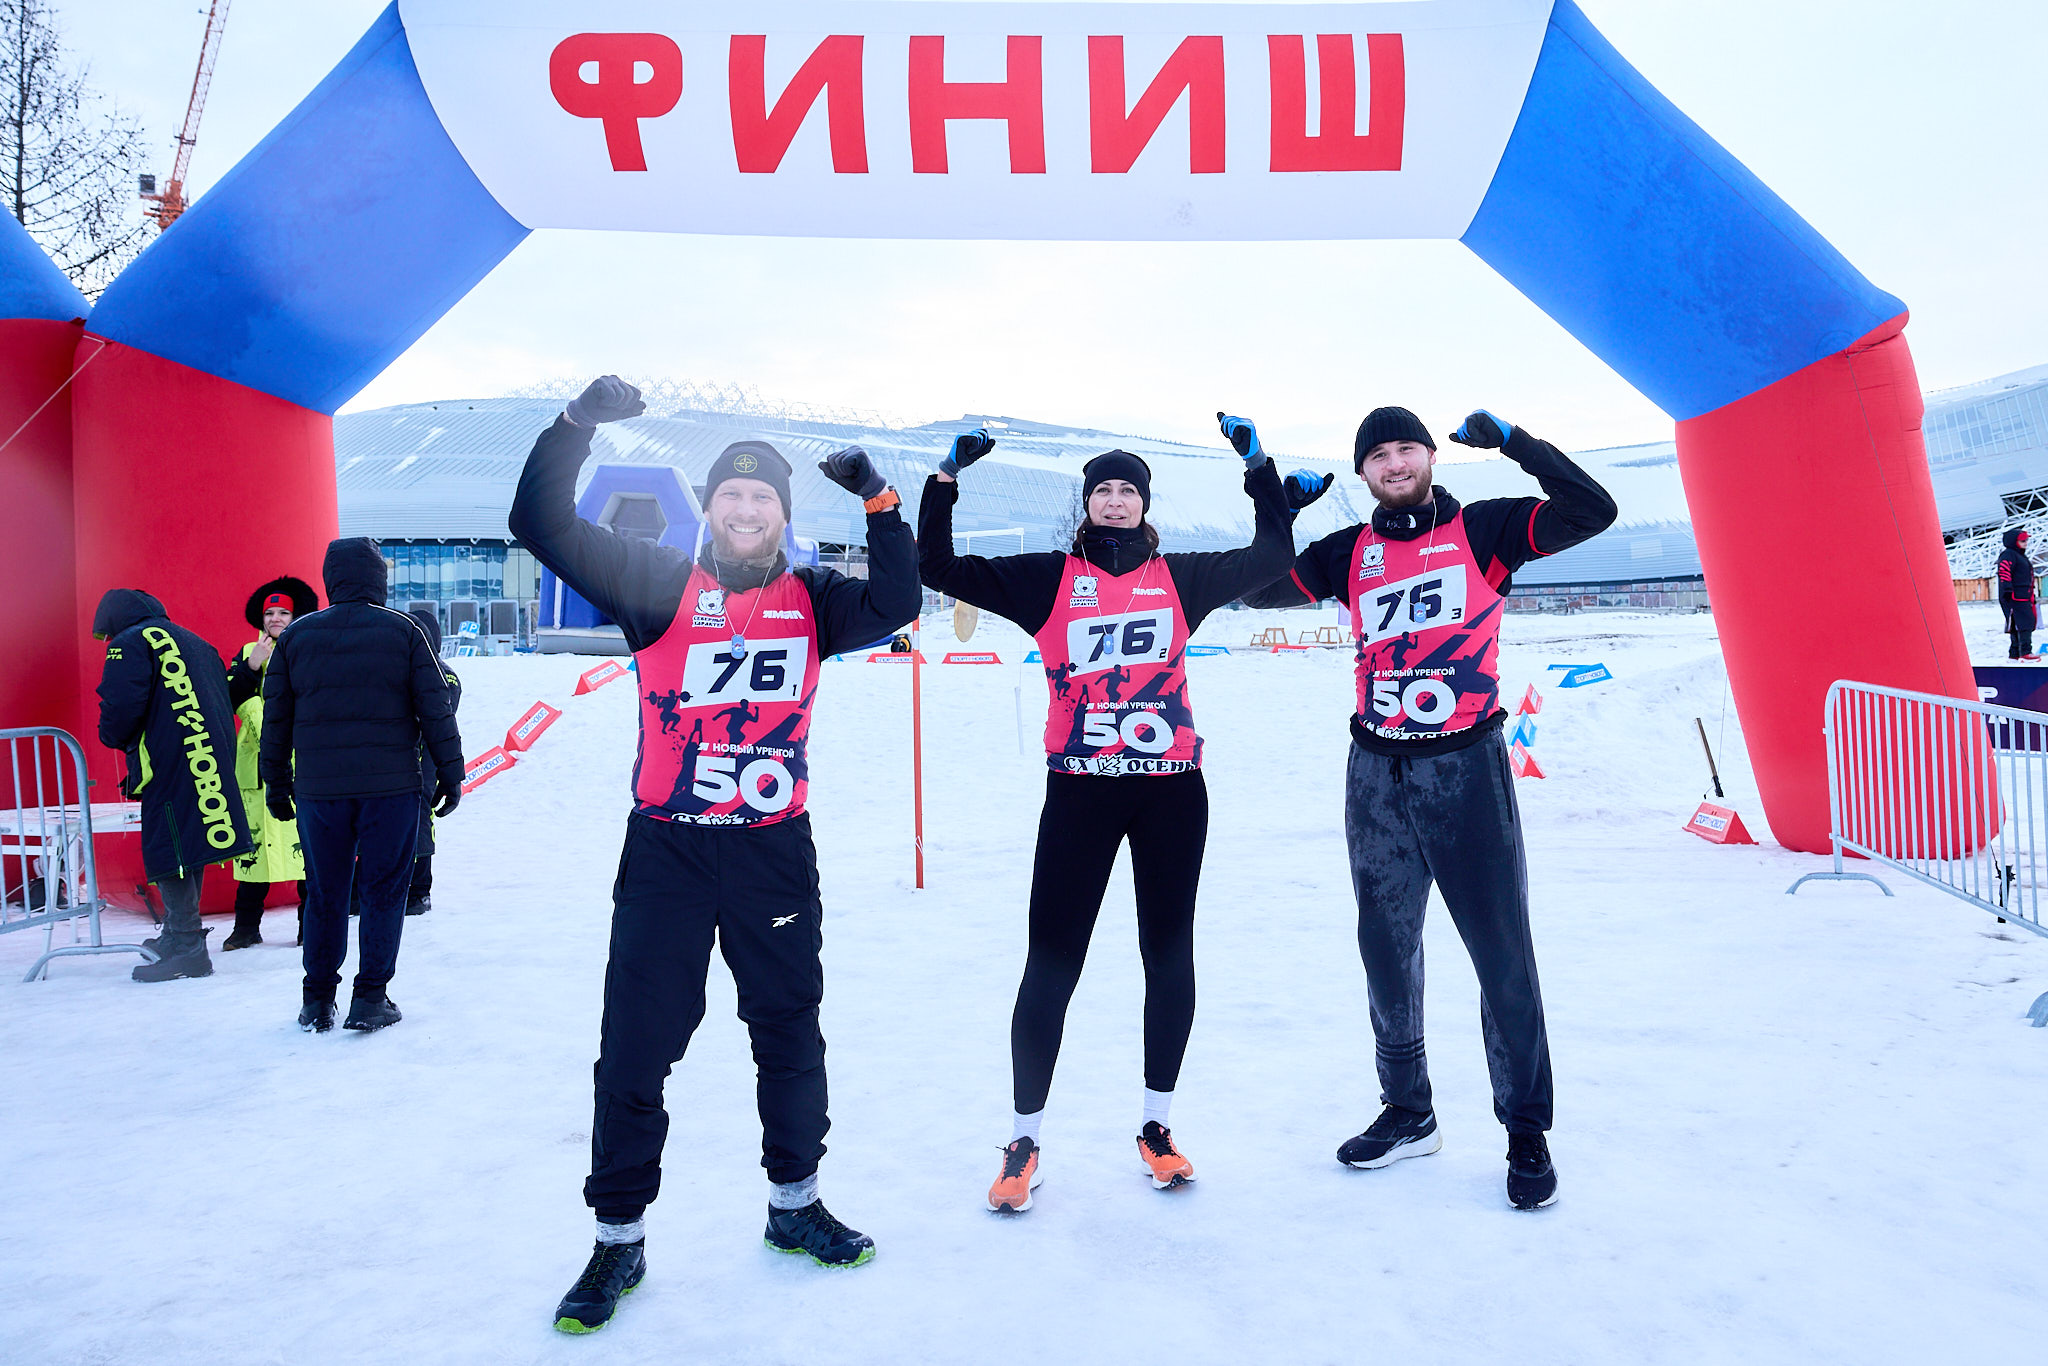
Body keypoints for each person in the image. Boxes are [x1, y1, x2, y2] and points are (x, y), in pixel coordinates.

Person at [508, 377, 920, 1333]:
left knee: (787, 1028)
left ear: (783, 514)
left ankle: (795, 1205)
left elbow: (898, 600)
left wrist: (879, 500)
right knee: (638, 1044)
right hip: (670, 855)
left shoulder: (815, 598)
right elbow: (538, 523)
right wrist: (575, 426)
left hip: (773, 854)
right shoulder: (656, 582)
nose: (744, 508)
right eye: (730, 493)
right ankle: (617, 1239)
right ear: (708, 507)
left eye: (762, 495)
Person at [918, 413, 1300, 1214]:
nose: (1117, 500)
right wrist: (945, 481)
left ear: (1144, 503)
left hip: (1170, 790)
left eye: (1129, 490)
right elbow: (938, 565)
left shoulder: (1182, 578)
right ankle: (1023, 1140)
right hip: (1080, 791)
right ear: (1088, 503)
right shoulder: (1048, 579)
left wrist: (1258, 466)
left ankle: (1157, 1127)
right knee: (1052, 962)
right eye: (1104, 491)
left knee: (1168, 954)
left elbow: (1272, 556)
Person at [1245, 407, 1616, 1210]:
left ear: (1429, 456)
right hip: (1376, 773)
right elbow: (1254, 586)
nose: (1394, 463)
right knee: (1386, 952)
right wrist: (1278, 506)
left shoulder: (1484, 531)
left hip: (1465, 767)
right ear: (1363, 472)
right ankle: (1409, 1110)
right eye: (1377, 454)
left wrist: (1518, 444)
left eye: (1406, 447)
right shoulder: (1349, 552)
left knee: (1501, 957)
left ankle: (1525, 1131)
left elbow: (1592, 510)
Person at [259, 538, 463, 1035]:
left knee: (326, 892)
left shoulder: (296, 638)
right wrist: (451, 772)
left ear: (331, 580)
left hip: (319, 791)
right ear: (379, 580)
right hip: (391, 789)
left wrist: (276, 783)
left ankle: (316, 1001)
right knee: (383, 892)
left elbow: (276, 720)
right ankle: (370, 997)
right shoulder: (405, 632)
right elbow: (435, 709)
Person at [92, 588, 255, 982]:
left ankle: (187, 946)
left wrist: (111, 734)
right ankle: (178, 934)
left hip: (168, 760)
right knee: (190, 843)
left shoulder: (130, 642)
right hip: (209, 756)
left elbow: (120, 707)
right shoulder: (195, 641)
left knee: (170, 847)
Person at [223, 577, 317, 950]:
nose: (275, 619)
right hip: (255, 768)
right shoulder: (249, 651)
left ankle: (309, 926)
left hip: (301, 761)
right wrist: (251, 666)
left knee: (306, 847)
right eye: (269, 613)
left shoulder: (309, 646)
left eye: (283, 613)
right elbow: (229, 695)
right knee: (253, 849)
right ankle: (246, 927)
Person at [403, 607, 461, 915]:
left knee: (421, 819)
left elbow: (439, 718)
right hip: (403, 756)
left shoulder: (444, 674)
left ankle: (419, 890)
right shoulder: (399, 667)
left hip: (425, 757)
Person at [1998, 528, 2038, 661]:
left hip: (2023, 595)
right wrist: (2007, 591)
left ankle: (2015, 653)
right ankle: (2026, 651)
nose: (2026, 543)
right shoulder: (2008, 555)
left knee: (2017, 623)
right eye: (2022, 540)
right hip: (2015, 596)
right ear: (2014, 542)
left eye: (2026, 540)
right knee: (2024, 622)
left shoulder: (2019, 555)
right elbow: (2004, 571)